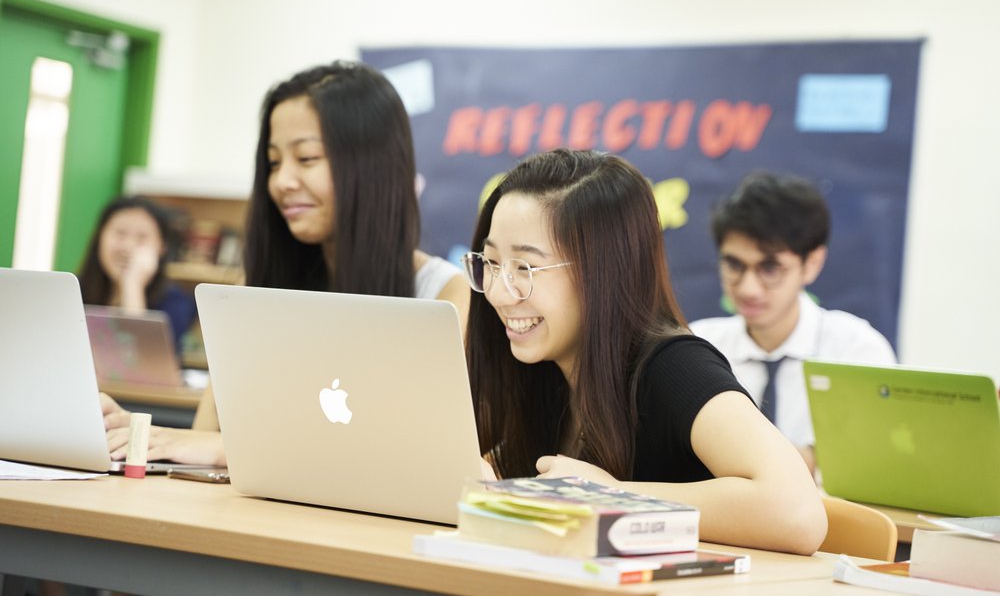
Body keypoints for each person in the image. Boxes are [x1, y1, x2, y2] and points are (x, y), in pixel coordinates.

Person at [102, 61, 469, 466]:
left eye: (307, 158)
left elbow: (414, 457)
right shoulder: (256, 286)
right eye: (274, 163)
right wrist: (136, 433)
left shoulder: (446, 296)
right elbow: (204, 435)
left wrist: (231, 450)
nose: (281, 181)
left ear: (373, 167)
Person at [462, 149, 827, 555]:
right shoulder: (540, 367)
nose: (497, 291)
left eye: (525, 269)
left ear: (602, 272)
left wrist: (614, 496)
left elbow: (798, 513)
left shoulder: (673, 366)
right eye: (491, 262)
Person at [690, 171, 896, 474]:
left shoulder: (857, 351)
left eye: (770, 268)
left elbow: (874, 469)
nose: (748, 288)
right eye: (734, 265)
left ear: (811, 264)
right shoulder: (697, 347)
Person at [78, 195, 197, 353]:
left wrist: (132, 284)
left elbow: (141, 360)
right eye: (120, 233)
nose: (128, 245)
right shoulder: (73, 291)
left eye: (142, 237)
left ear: (161, 247)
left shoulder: (176, 302)